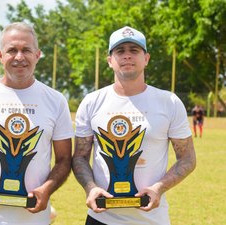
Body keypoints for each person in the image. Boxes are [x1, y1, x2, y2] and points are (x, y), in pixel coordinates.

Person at [72, 26, 196, 225]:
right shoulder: (91, 102)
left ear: (146, 58)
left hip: (152, 219)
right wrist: (91, 188)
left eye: (134, 50)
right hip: (101, 218)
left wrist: (158, 188)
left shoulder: (168, 102)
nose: (127, 56)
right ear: (110, 60)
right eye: (120, 51)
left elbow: (188, 158)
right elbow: (79, 157)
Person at [0, 22, 74, 225]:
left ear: (37, 55)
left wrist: (47, 189)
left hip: (35, 219)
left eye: (26, 50)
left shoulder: (56, 100)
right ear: (0, 55)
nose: (19, 57)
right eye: (12, 50)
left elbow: (64, 159)